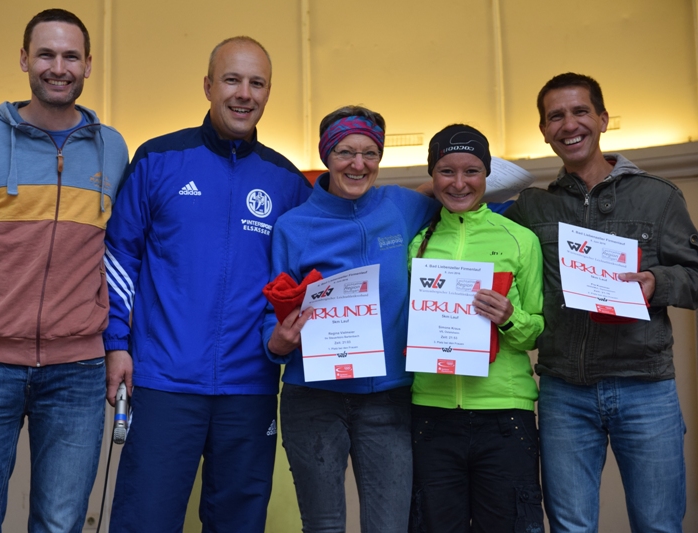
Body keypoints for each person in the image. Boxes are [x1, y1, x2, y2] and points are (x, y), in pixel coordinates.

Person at [0, 9, 128, 532]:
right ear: (23, 59)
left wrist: (117, 346)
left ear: (88, 65)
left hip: (78, 371)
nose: (59, 67)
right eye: (46, 54)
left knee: (60, 525)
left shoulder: (113, 149)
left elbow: (119, 257)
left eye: (71, 56)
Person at [263, 107, 519, 532]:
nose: (358, 164)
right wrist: (276, 344)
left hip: (388, 399)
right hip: (313, 397)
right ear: (326, 155)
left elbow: (465, 196)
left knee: (390, 527)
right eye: (345, 152)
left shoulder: (402, 205)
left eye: (370, 153)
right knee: (323, 526)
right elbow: (271, 307)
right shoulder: (293, 226)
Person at [103, 36, 312, 532]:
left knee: (238, 523)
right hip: (163, 381)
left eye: (257, 83)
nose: (244, 94)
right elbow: (119, 257)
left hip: (251, 385)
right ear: (208, 86)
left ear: (268, 92)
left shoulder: (286, 181)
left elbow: (314, 263)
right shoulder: (158, 159)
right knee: (145, 521)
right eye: (232, 80)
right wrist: (116, 344)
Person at [504, 72, 698, 532]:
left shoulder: (658, 197)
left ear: (603, 119)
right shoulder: (533, 207)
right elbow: (468, 210)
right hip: (563, 390)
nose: (569, 124)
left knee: (659, 525)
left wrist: (657, 282)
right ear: (544, 130)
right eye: (555, 116)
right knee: (570, 528)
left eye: (580, 111)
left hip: (645, 386)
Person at [408, 124, 544, 533]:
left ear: (487, 175)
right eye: (446, 171)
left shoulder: (520, 239)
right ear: (432, 176)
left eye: (471, 171)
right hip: (431, 413)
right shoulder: (417, 242)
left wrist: (509, 317)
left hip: (505, 416)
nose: (459, 183)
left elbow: (537, 331)